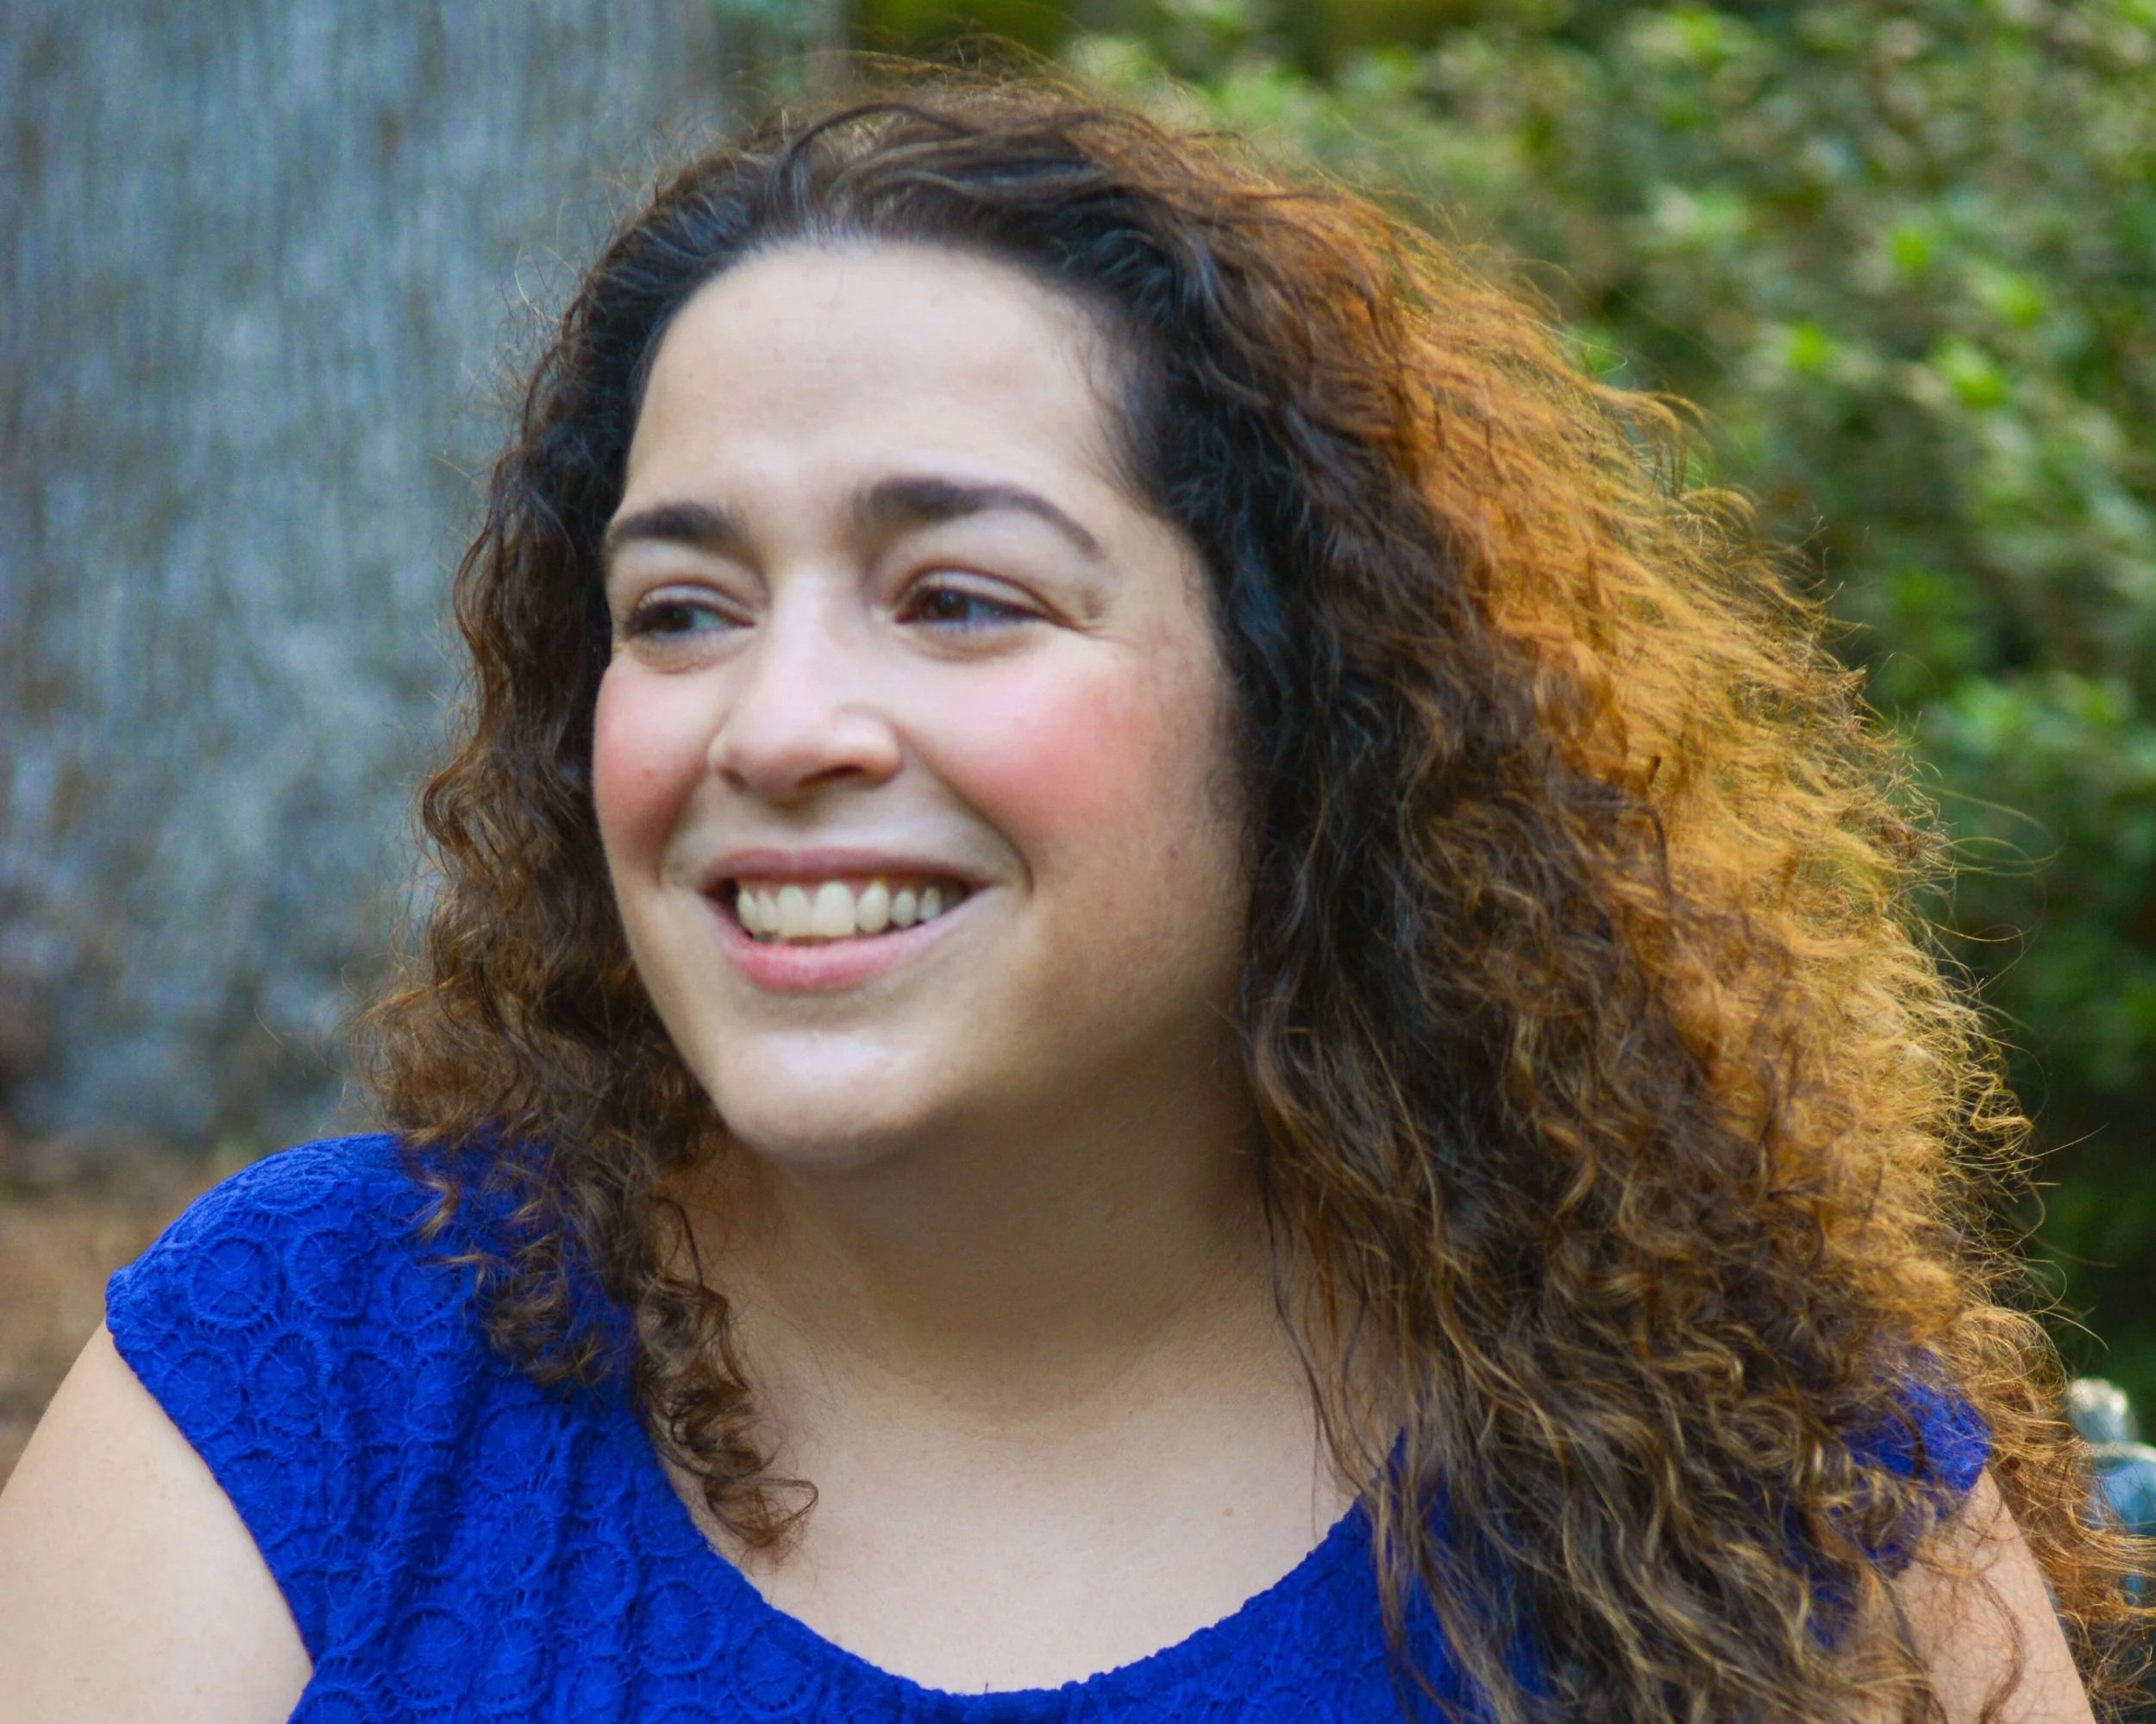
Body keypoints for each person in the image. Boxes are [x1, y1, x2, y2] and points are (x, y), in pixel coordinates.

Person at [0, 64, 2142, 1723]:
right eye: (677, 611)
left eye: (956, 594)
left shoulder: (1764, 1504)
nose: (775, 723)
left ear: (1309, 703)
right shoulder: (312, 1384)